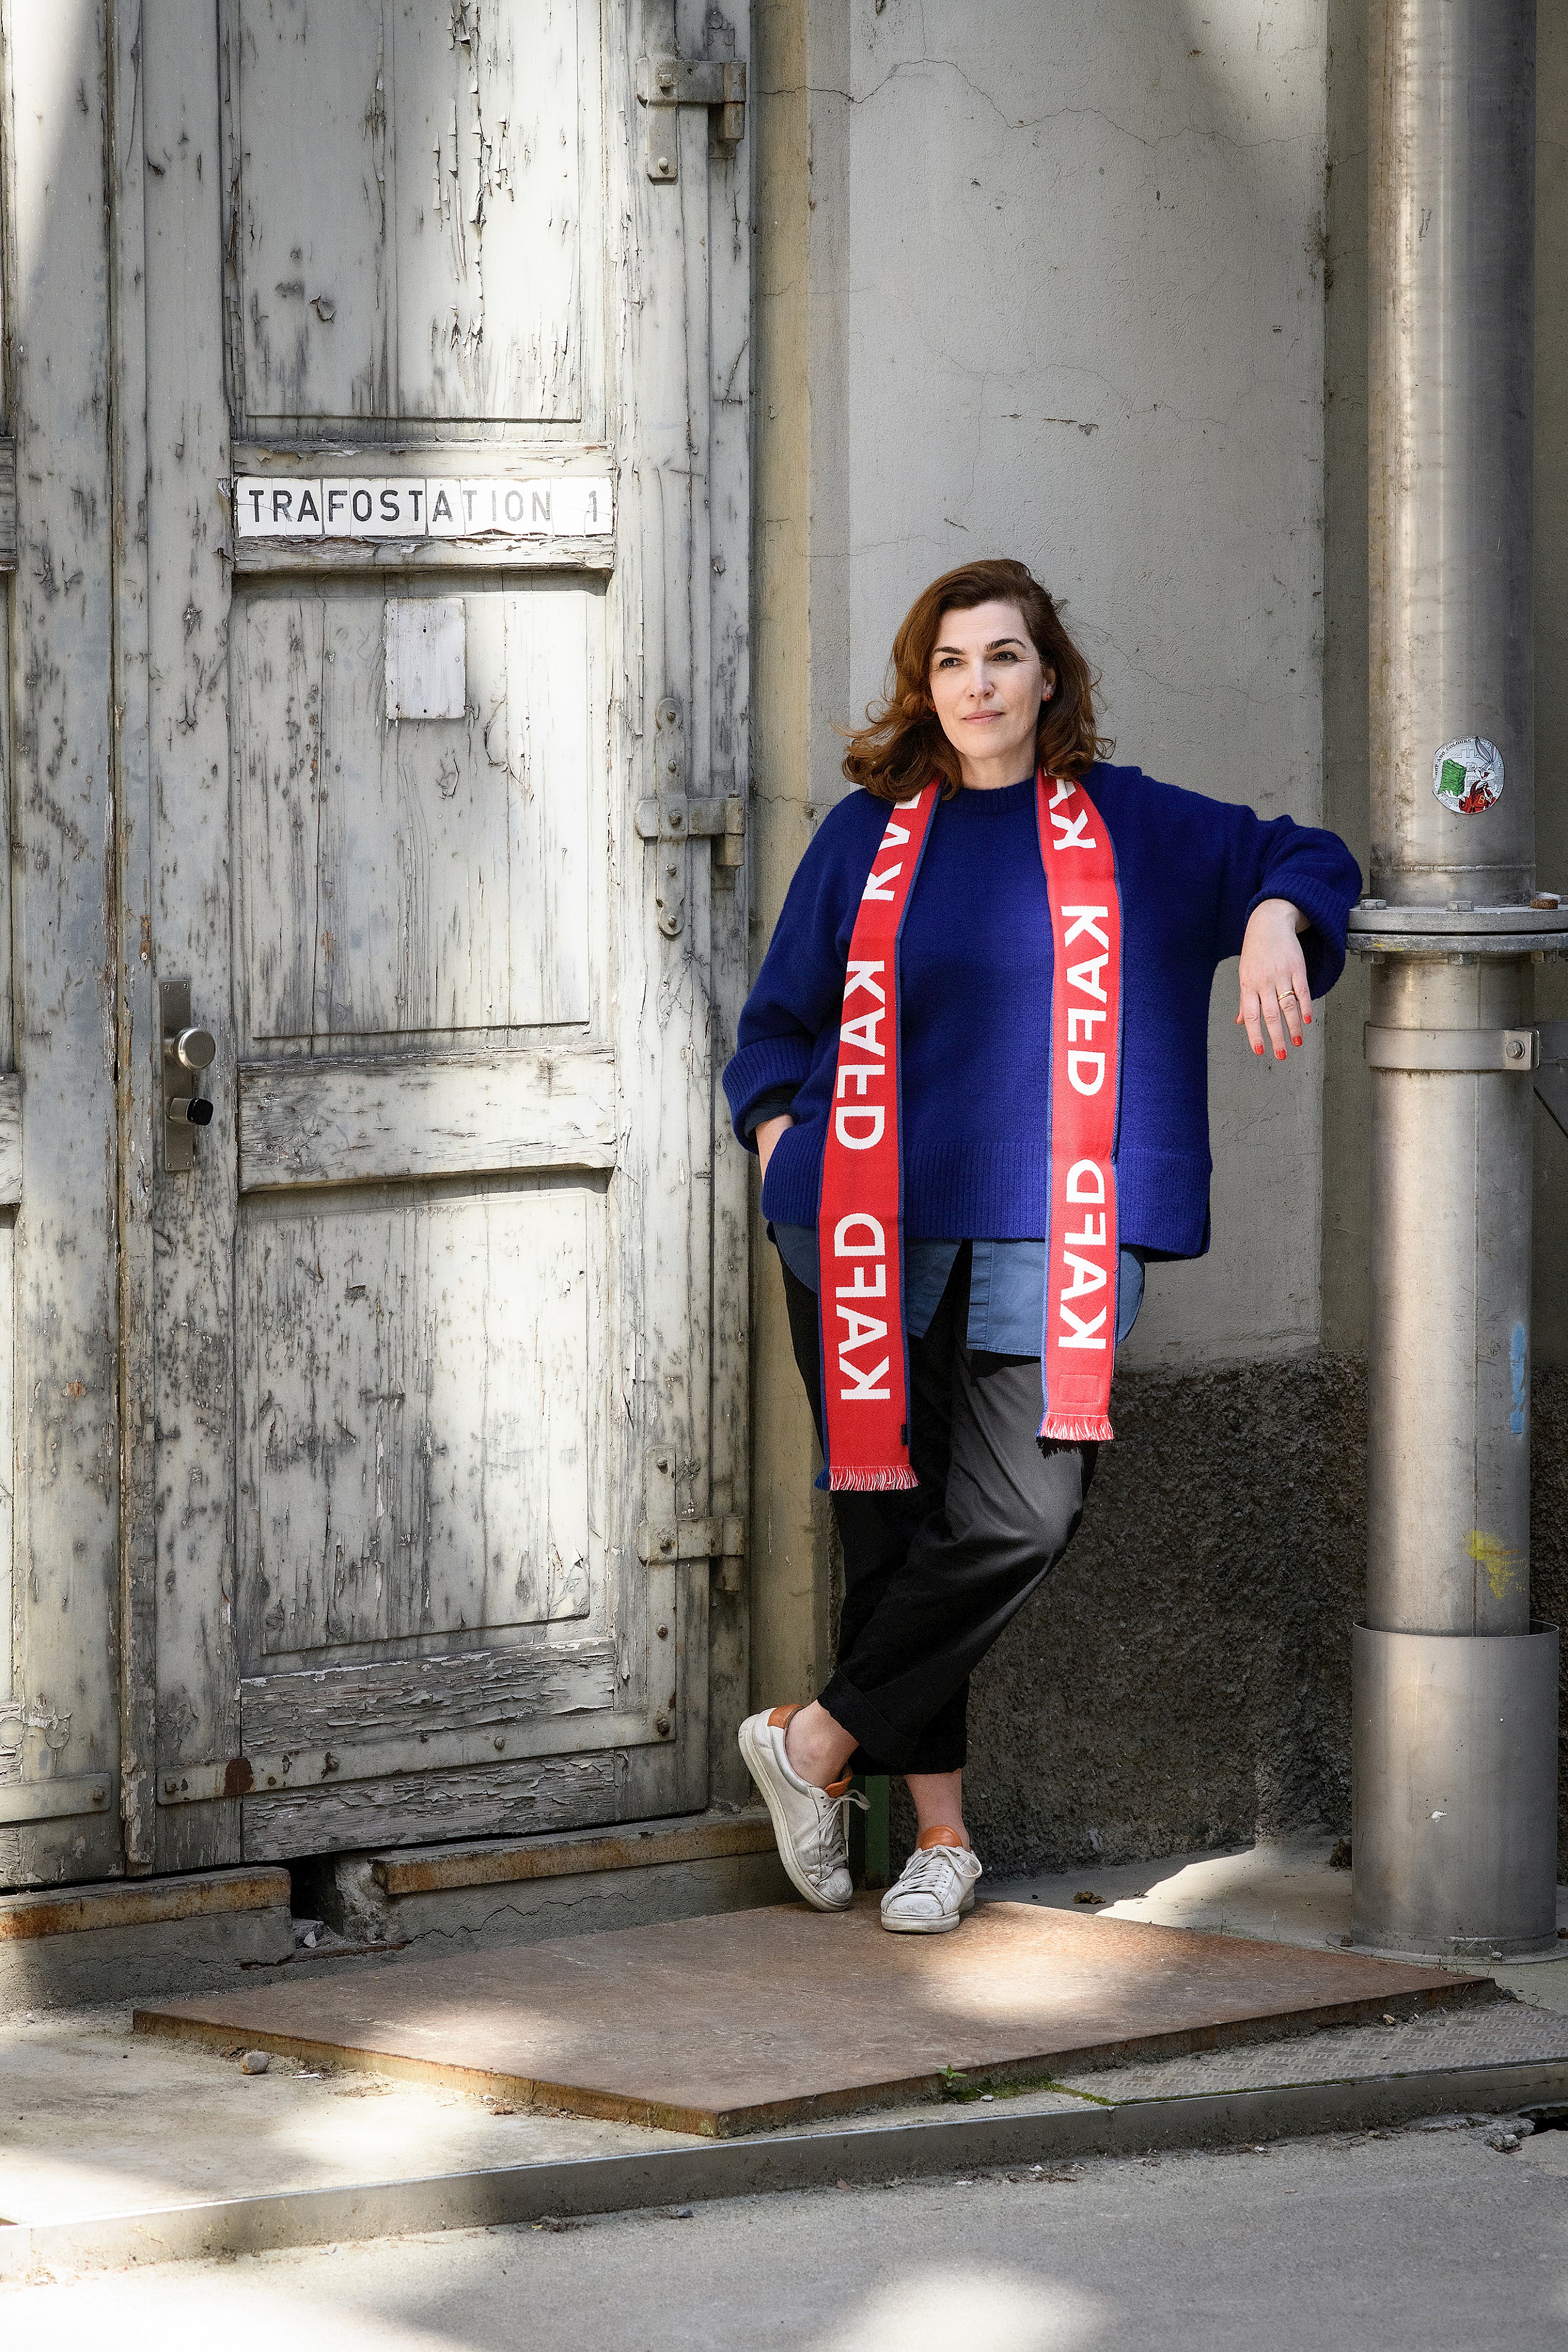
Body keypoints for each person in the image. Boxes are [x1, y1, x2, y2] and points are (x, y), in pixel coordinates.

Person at [724, 556, 1361, 1934]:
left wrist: (1271, 920)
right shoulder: (866, 834)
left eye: (1003, 657)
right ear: (925, 685)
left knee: (1020, 1516)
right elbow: (777, 1022)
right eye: (951, 663)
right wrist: (778, 1135)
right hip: (862, 1223)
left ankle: (812, 1743)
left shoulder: (1135, 827)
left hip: (1051, 1228)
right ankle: (941, 1841)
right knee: (893, 1534)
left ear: (1048, 676)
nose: (977, 686)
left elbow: (1309, 856)